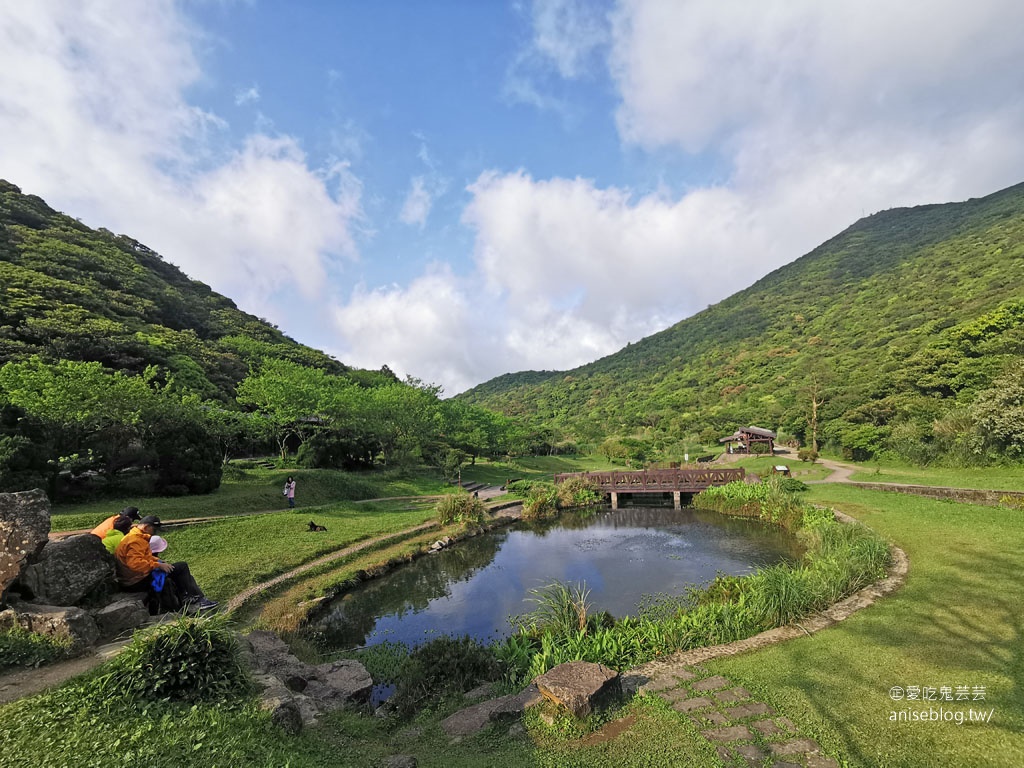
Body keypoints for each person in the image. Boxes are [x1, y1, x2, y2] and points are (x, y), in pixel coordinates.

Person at [114, 516, 217, 610]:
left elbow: (142, 557)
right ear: (146, 527)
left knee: (176, 569)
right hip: (134, 581)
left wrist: (157, 561)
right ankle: (196, 599)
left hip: (132, 578)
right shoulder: (135, 541)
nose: (155, 532)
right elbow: (134, 564)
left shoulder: (134, 536)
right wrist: (157, 565)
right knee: (182, 567)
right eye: (154, 529)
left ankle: (189, 597)